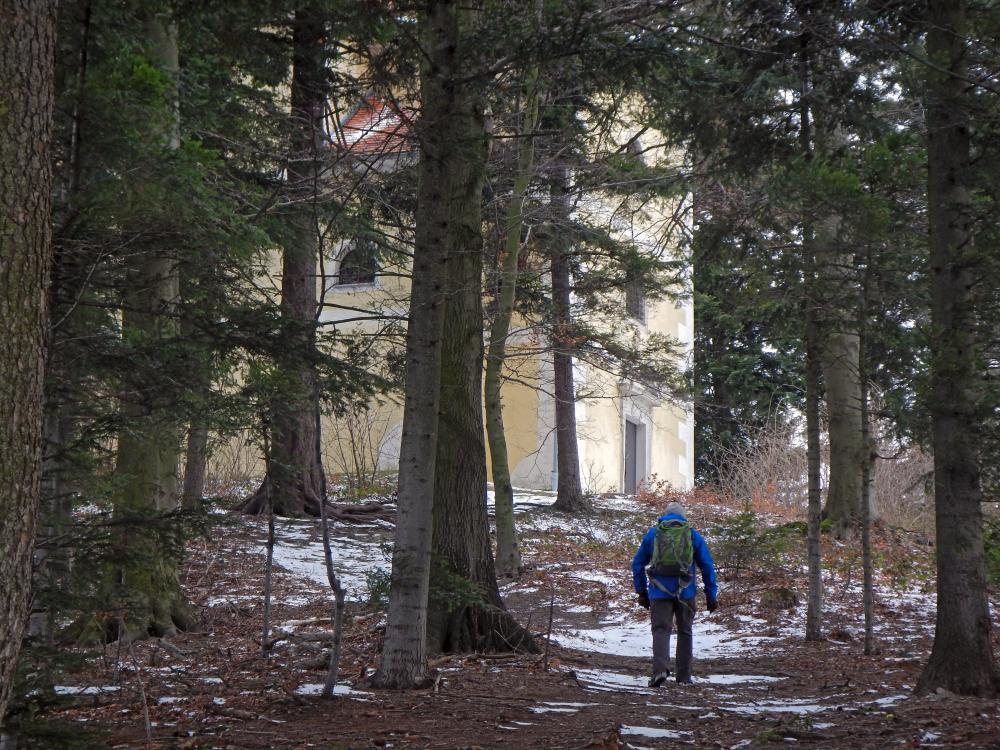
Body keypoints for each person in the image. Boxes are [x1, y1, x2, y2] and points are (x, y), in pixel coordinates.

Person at [632, 500, 718, 686]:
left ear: (665, 515)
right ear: (683, 516)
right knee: (685, 632)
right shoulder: (691, 534)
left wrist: (641, 592)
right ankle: (684, 677)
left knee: (661, 630)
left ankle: (660, 670)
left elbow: (637, 563)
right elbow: (707, 565)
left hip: (658, 592)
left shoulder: (654, 534)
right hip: (686, 592)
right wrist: (712, 595)